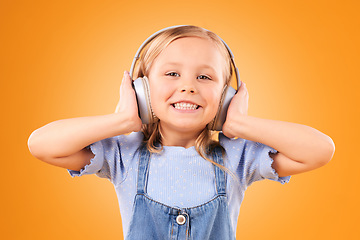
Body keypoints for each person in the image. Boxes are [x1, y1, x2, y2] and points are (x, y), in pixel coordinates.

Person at [27, 25, 335, 239]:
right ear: (143, 90)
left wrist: (239, 124)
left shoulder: (238, 157)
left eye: (204, 76)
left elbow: (320, 150)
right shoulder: (124, 154)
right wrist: (122, 120)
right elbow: (41, 145)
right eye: (172, 73)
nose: (188, 86)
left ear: (225, 97)